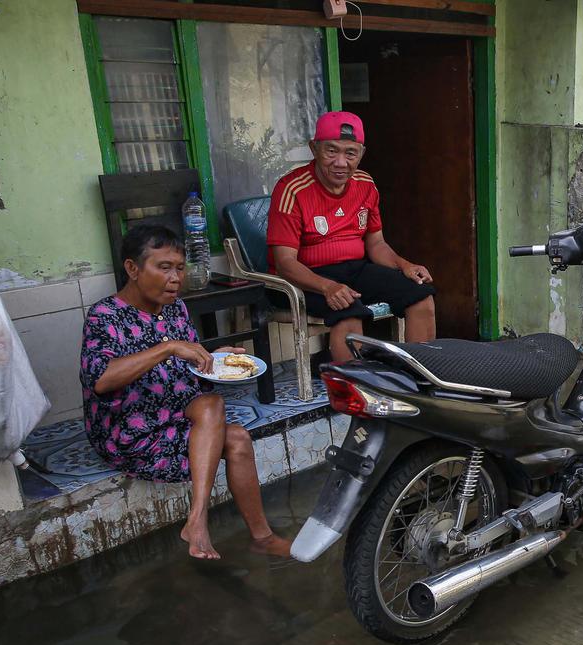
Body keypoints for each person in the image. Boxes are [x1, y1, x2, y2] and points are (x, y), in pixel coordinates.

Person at [80, 225, 291, 560]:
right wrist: (169, 347)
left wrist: (214, 356)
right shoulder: (104, 316)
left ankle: (257, 536)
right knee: (213, 408)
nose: (175, 278)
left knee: (233, 433)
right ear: (132, 269)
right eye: (164, 268)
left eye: (179, 268)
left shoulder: (174, 308)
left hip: (175, 414)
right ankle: (200, 518)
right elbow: (101, 379)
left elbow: (183, 364)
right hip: (129, 431)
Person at [267, 111, 436, 362]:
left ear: (361, 154)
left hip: (355, 270)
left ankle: (420, 381)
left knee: (421, 296)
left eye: (350, 153)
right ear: (314, 148)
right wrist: (327, 286)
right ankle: (353, 393)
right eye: (331, 151)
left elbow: (376, 243)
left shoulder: (365, 184)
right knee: (348, 310)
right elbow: (285, 262)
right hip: (307, 276)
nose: (340, 162)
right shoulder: (291, 189)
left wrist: (404, 265)